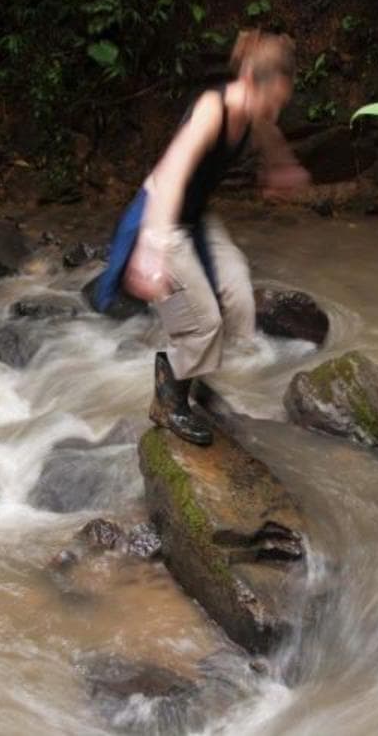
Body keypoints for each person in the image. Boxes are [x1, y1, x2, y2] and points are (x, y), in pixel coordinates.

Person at [95, 29, 311, 446]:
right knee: (201, 322)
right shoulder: (213, 109)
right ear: (249, 80)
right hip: (160, 216)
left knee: (238, 298)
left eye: (280, 104)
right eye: (272, 101)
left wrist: (281, 166)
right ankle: (168, 399)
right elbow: (173, 170)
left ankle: (194, 375)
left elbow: (270, 133)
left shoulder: (253, 112)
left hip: (195, 216)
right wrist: (151, 251)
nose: (275, 112)